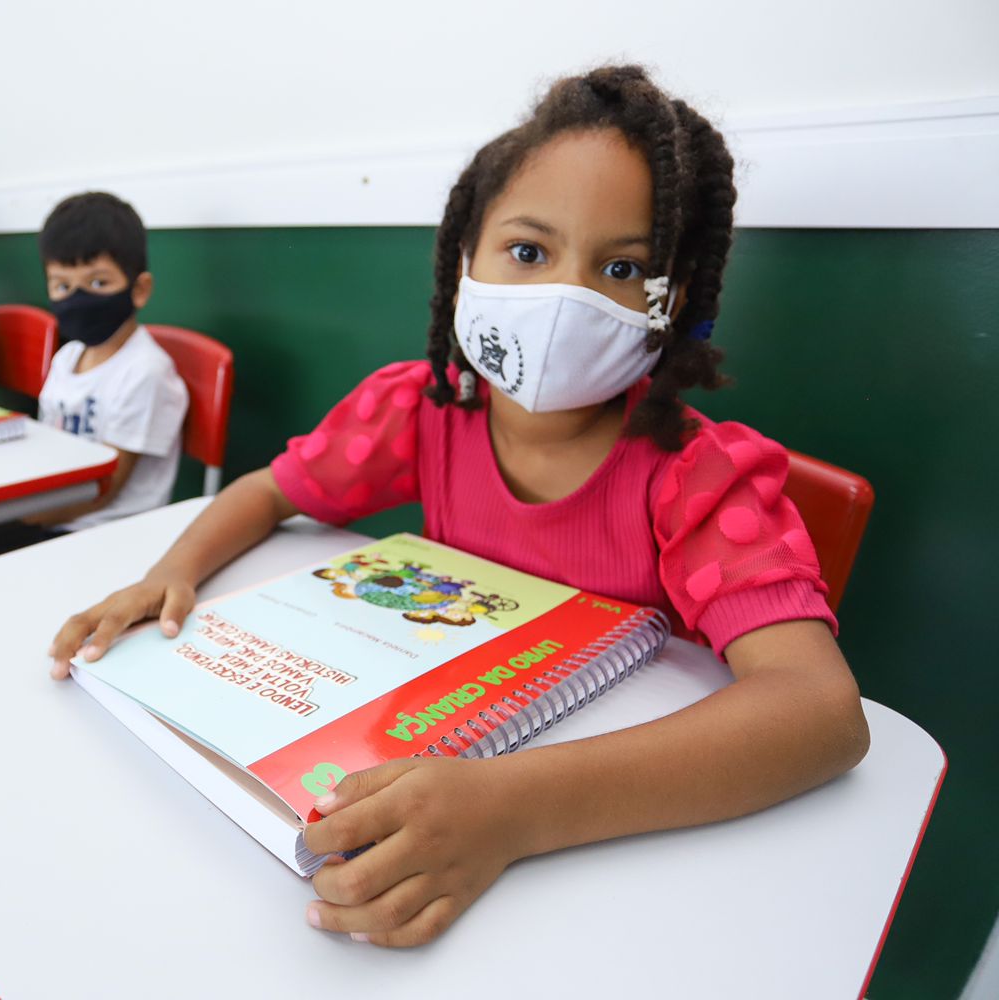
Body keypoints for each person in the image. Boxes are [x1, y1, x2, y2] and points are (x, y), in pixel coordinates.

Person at [46, 66, 870, 948]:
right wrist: (170, 571)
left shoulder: (698, 478)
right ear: (463, 256)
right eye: (527, 251)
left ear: (676, 305)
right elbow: (267, 489)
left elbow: (819, 712)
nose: (563, 297)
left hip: (608, 873)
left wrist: (516, 809)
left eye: (623, 267)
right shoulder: (418, 410)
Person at [0, 192, 188, 567]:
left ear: (139, 290)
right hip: (53, 513)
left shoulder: (146, 372)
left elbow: (104, 493)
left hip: (103, 533)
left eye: (98, 283)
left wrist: (17, 514)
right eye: (62, 286)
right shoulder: (67, 357)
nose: (77, 298)